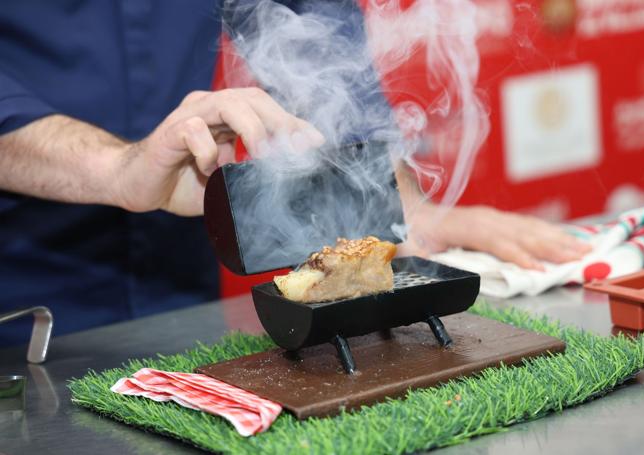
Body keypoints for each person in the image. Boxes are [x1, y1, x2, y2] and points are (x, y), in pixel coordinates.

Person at [0, 1, 588, 346]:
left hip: (177, 271)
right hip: (24, 291)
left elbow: (315, 31)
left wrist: (398, 209)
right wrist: (116, 167)